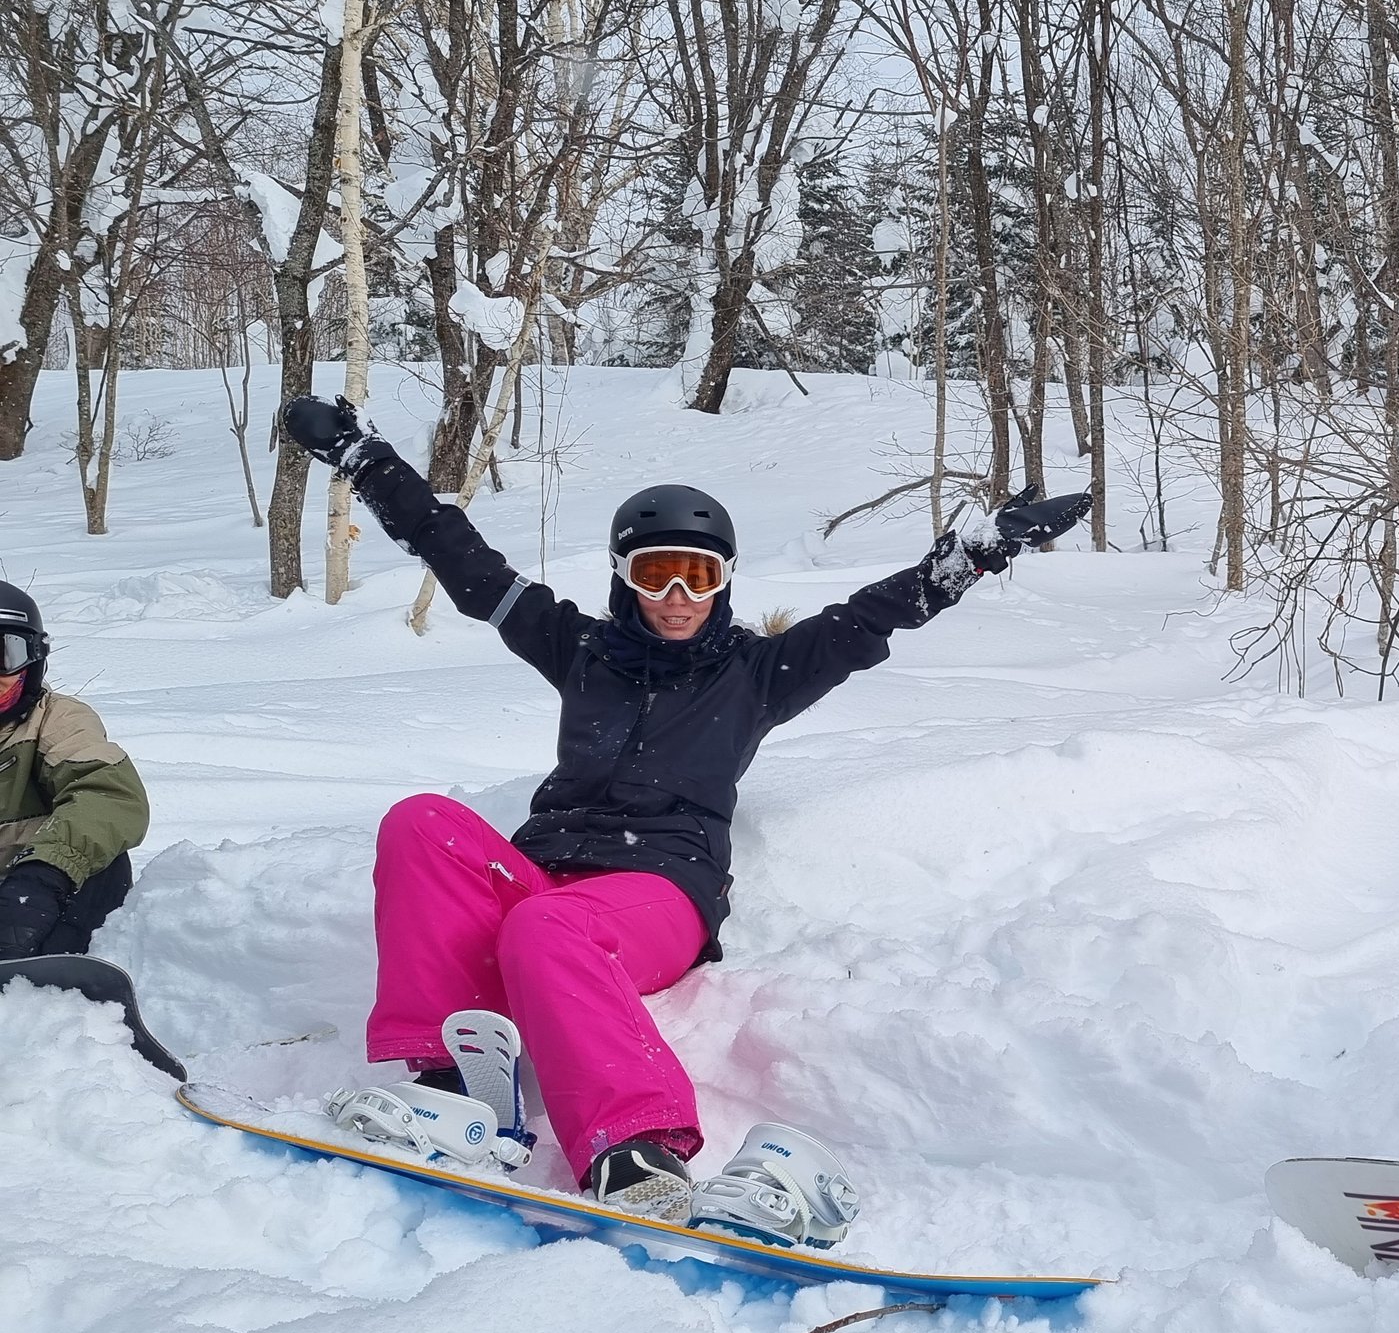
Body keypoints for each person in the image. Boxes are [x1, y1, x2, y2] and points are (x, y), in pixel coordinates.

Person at [281, 395, 1088, 1224]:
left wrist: (976, 553)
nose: (677, 595)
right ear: (623, 577)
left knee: (547, 927)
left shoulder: (758, 672)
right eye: (656, 571)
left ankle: (637, 1141)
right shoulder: (579, 649)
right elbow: (460, 557)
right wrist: (364, 458)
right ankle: (454, 1087)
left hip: (657, 890)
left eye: (699, 574)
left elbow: (871, 617)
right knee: (421, 821)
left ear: (725, 580)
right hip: (546, 876)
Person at [0, 581, 149, 961]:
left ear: (32, 660)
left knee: (104, 861)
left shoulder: (56, 720)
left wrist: (42, 878)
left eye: (2, 655)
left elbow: (106, 794)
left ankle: (57, 979)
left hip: (33, 905)